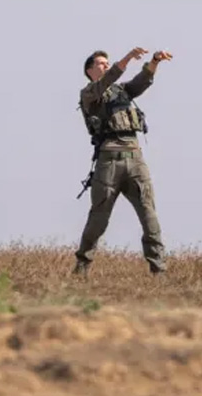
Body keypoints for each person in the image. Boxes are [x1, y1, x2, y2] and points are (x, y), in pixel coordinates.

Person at [74, 47, 172, 276]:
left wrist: (154, 62)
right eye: (100, 63)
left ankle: (159, 270)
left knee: (149, 215)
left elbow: (141, 81)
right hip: (109, 161)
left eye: (107, 62)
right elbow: (108, 79)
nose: (105, 65)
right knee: (99, 218)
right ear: (89, 71)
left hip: (135, 158)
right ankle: (81, 267)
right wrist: (126, 58)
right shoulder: (89, 93)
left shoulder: (122, 91)